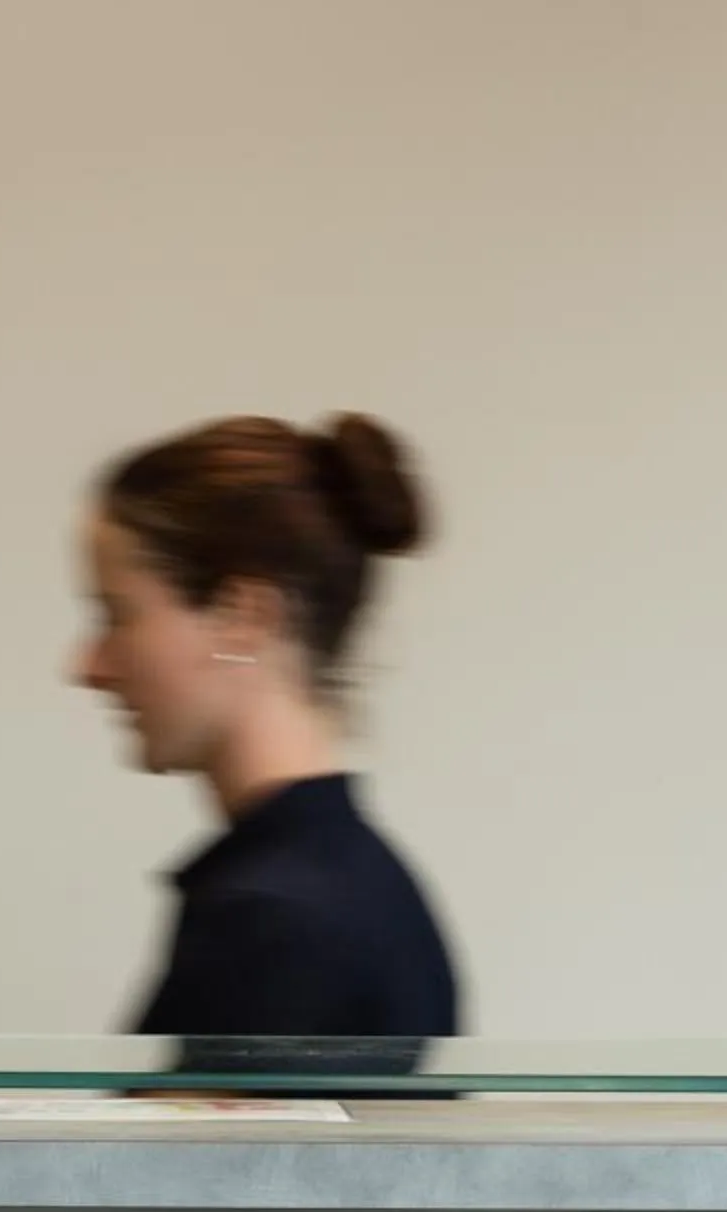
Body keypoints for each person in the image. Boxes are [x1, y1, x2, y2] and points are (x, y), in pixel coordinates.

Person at [72, 412, 460, 1060]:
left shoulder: (281, 920)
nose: (88, 666)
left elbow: (166, 1166)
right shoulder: (339, 886)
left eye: (118, 615)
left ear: (242, 616)